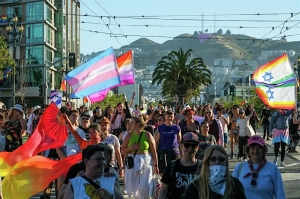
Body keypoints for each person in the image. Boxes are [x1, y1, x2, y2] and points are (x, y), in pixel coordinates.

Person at [121, 116, 159, 199]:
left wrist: (156, 165)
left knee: (145, 186)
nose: (130, 124)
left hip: (146, 161)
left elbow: (153, 151)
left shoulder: (147, 134)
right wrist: (131, 148)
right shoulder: (129, 136)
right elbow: (122, 151)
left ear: (138, 124)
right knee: (135, 187)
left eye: (132, 122)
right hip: (132, 161)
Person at [158, 132, 202, 199]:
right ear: (181, 146)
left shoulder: (203, 166)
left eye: (194, 145)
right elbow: (164, 190)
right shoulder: (172, 166)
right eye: (187, 145)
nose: (190, 148)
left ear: (198, 147)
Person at [154, 110, 181, 175]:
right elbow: (156, 142)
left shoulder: (176, 127)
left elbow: (180, 141)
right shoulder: (160, 128)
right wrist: (154, 153)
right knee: (162, 173)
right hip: (163, 152)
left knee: (174, 172)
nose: (170, 118)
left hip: (174, 152)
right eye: (168, 116)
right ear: (165, 117)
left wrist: (181, 153)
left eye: (171, 116)